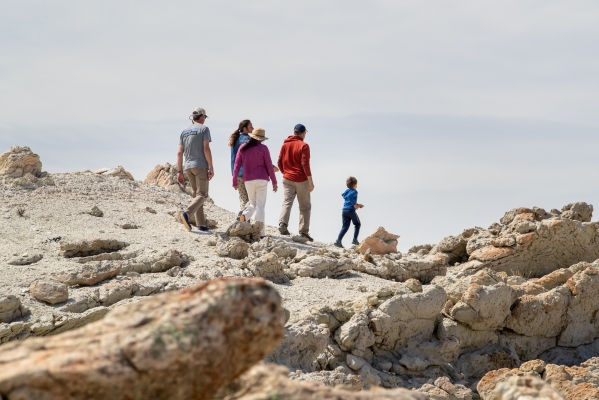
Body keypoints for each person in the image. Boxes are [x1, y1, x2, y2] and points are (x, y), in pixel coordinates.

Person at [232, 127, 278, 238]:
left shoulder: (243, 148)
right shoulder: (263, 148)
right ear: (261, 138)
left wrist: (234, 181)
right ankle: (261, 233)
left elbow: (236, 165)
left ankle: (244, 215)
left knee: (253, 204)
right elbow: (269, 166)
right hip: (262, 179)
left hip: (248, 180)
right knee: (260, 207)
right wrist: (274, 182)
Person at [178, 107, 214, 232]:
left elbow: (179, 152)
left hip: (188, 167)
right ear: (202, 116)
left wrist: (179, 171)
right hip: (200, 165)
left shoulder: (184, 131)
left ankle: (201, 224)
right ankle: (187, 214)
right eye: (205, 117)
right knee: (202, 194)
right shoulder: (204, 129)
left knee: (196, 195)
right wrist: (211, 167)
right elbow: (206, 149)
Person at [277, 124, 314, 241]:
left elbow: (279, 161)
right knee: (305, 207)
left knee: (287, 201)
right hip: (301, 179)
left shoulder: (285, 144)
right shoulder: (304, 145)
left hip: (287, 178)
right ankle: (303, 232)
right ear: (303, 133)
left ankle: (282, 224)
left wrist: (285, 173)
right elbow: (305, 164)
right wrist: (310, 181)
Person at [228, 120, 252, 216]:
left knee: (243, 198)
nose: (253, 129)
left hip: (237, 173)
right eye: (251, 127)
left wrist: (234, 175)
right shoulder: (250, 140)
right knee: (252, 199)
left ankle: (244, 219)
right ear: (245, 129)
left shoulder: (235, 140)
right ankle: (244, 214)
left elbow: (233, 158)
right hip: (249, 174)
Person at [334, 176, 363, 248]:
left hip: (344, 210)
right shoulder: (354, 191)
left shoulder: (347, 190)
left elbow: (343, 195)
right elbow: (350, 196)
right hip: (351, 210)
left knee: (345, 226)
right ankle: (355, 239)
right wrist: (355, 204)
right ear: (355, 184)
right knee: (357, 224)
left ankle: (338, 241)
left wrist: (358, 205)